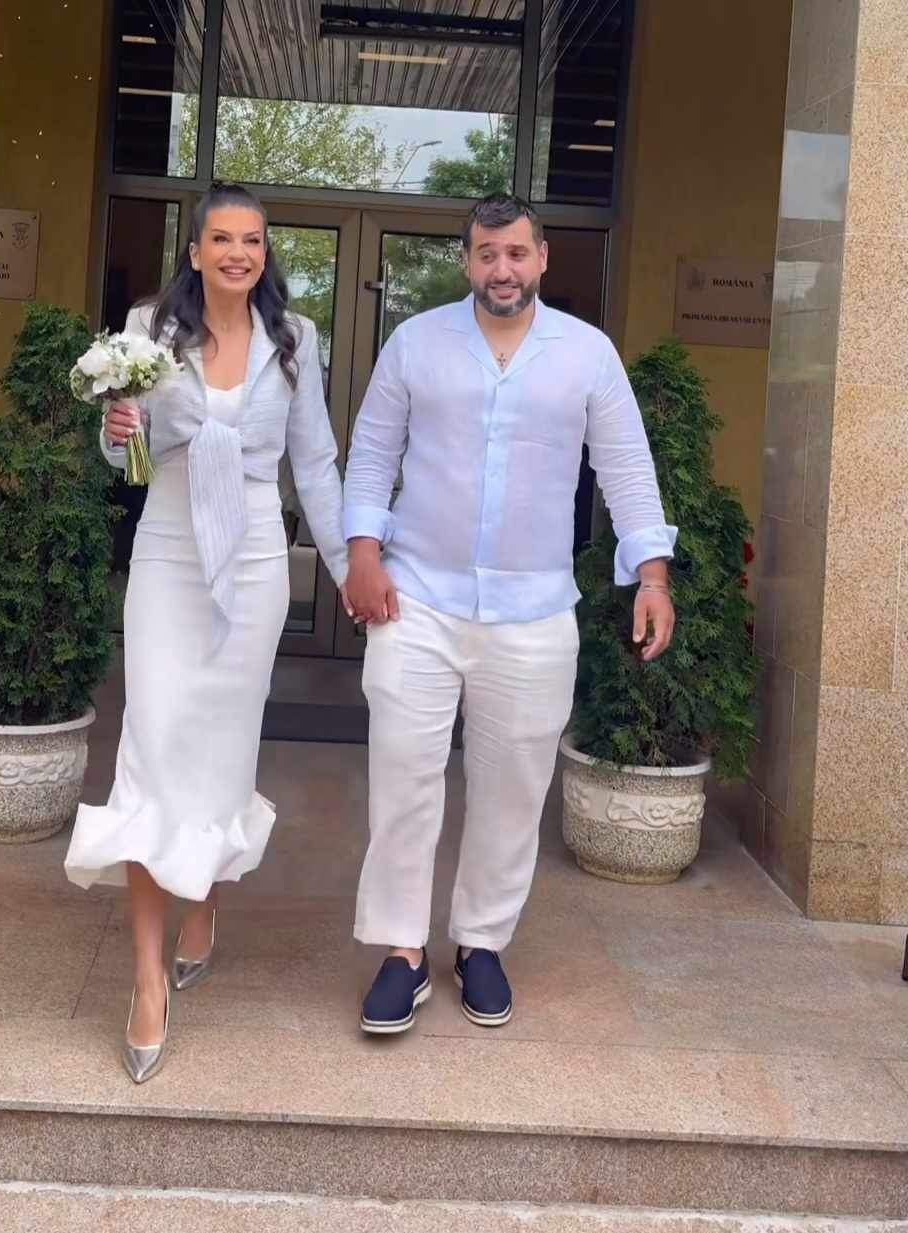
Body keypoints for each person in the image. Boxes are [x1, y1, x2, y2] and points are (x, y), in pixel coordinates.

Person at [343, 193, 677, 1035]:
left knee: (512, 788)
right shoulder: (416, 342)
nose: (503, 269)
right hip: (417, 599)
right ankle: (402, 951)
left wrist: (652, 575)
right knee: (403, 778)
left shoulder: (587, 354)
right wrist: (362, 553)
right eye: (488, 254)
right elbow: (373, 452)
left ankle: (481, 943)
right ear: (467, 260)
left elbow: (626, 467)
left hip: (533, 610)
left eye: (517, 253)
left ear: (543, 258)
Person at [65, 183, 348, 1081]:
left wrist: (352, 570)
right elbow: (127, 456)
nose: (237, 253)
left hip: (257, 556)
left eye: (252, 240)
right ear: (195, 251)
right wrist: (118, 429)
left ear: (266, 252)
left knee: (223, 752)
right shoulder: (149, 329)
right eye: (221, 238)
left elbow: (315, 463)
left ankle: (207, 896)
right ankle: (147, 979)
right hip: (169, 550)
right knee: (151, 748)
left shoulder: (296, 340)